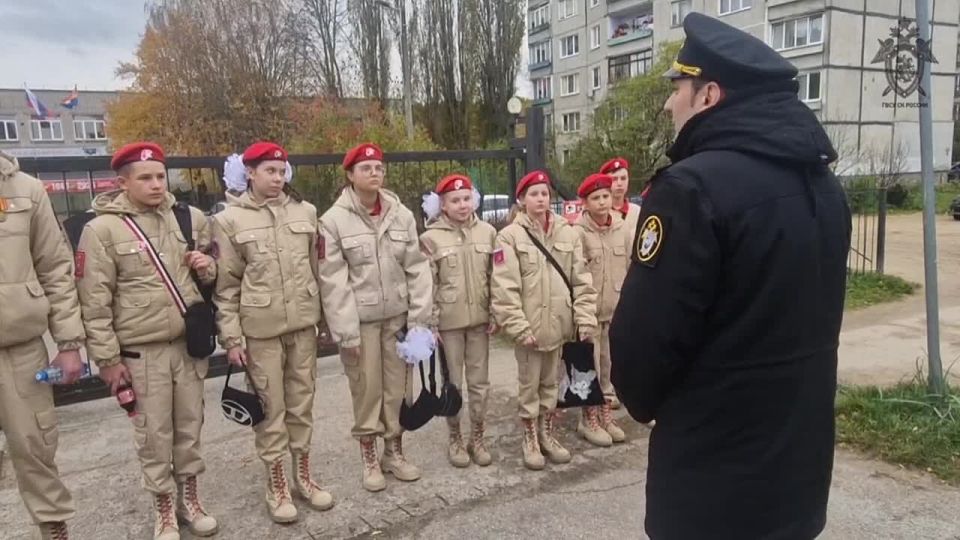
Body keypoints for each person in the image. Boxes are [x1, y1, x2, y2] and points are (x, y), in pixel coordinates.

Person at [609, 13, 851, 540]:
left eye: (677, 88)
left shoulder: (690, 189)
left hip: (713, 481)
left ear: (709, 95)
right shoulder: (825, 187)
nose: (668, 104)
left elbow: (645, 342)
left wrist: (641, 399)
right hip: (798, 476)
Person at [76, 142, 219, 540]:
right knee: (154, 435)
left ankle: (191, 500)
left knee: (190, 426)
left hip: (187, 347)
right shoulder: (102, 230)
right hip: (141, 353)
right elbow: (94, 302)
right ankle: (164, 508)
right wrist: (108, 360)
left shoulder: (188, 218)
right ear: (122, 183)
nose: (157, 185)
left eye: (160, 176)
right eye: (145, 178)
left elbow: (212, 277)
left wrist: (207, 267)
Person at [212, 142, 333, 524]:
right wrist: (232, 338)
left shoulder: (305, 212)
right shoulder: (229, 220)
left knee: (302, 404)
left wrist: (327, 320)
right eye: (269, 171)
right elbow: (226, 286)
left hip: (303, 326)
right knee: (270, 409)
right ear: (250, 172)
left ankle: (303, 476)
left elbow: (319, 269)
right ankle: (276, 483)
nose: (278, 178)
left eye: (282, 172)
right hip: (260, 331)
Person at [317, 142, 433, 492]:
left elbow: (417, 268)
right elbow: (333, 281)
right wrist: (346, 333)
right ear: (350, 175)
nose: (374, 173)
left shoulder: (401, 215)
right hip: (362, 323)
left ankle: (393, 451)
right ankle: (369, 455)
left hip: (397, 319)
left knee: (398, 389)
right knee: (367, 390)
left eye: (379, 167)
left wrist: (419, 321)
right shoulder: (333, 221)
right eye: (366, 168)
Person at [0, 151, 85, 540]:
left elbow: (55, 267)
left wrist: (68, 342)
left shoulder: (25, 189)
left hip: (18, 345)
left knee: (35, 446)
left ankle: (53, 528)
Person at [490, 170, 597, 471]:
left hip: (560, 324)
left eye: (545, 193)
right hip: (531, 328)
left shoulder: (568, 233)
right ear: (521, 200)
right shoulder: (509, 236)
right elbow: (505, 287)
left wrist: (584, 319)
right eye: (534, 194)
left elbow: (582, 280)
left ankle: (547, 434)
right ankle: (530, 438)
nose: (541, 199)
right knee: (529, 386)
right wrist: (518, 327)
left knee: (551, 384)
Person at [419, 174, 497, 468]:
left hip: (480, 321)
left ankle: (478, 436)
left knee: (480, 383)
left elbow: (496, 276)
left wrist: (496, 312)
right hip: (448, 325)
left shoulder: (488, 233)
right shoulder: (430, 238)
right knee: (453, 383)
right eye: (455, 200)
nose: (462, 205)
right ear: (443, 205)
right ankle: (455, 437)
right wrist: (431, 323)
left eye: (466, 199)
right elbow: (427, 284)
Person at [572, 173, 630, 447]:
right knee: (589, 367)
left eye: (606, 196)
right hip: (590, 313)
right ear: (584, 202)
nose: (603, 202)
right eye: (595, 198)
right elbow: (575, 274)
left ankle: (607, 416)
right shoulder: (578, 233)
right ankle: (588, 419)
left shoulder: (621, 228)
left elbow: (630, 266)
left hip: (614, 311)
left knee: (608, 367)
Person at [599, 157, 641, 254]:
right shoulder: (598, 213)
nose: (619, 183)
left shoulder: (637, 212)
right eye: (614, 179)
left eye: (623, 178)